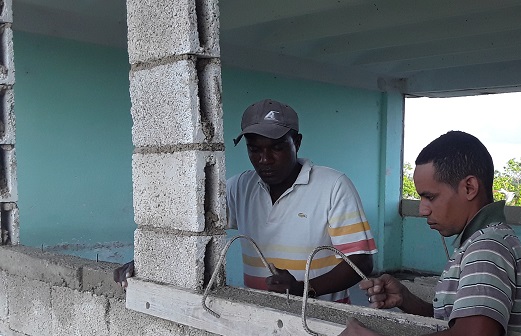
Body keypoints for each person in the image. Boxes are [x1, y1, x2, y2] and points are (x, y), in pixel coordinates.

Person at [318, 131, 521, 336]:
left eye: (430, 197)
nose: (422, 209)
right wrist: (407, 300)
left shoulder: (487, 248)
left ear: (469, 187)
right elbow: (457, 326)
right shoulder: (479, 242)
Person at [115, 99, 376, 303]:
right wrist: (146, 260)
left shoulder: (332, 186)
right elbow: (191, 229)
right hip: (259, 314)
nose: (265, 159)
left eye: (276, 147)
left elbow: (361, 262)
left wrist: (304, 289)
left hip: (321, 317)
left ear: (296, 142)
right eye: (255, 149)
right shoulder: (241, 186)